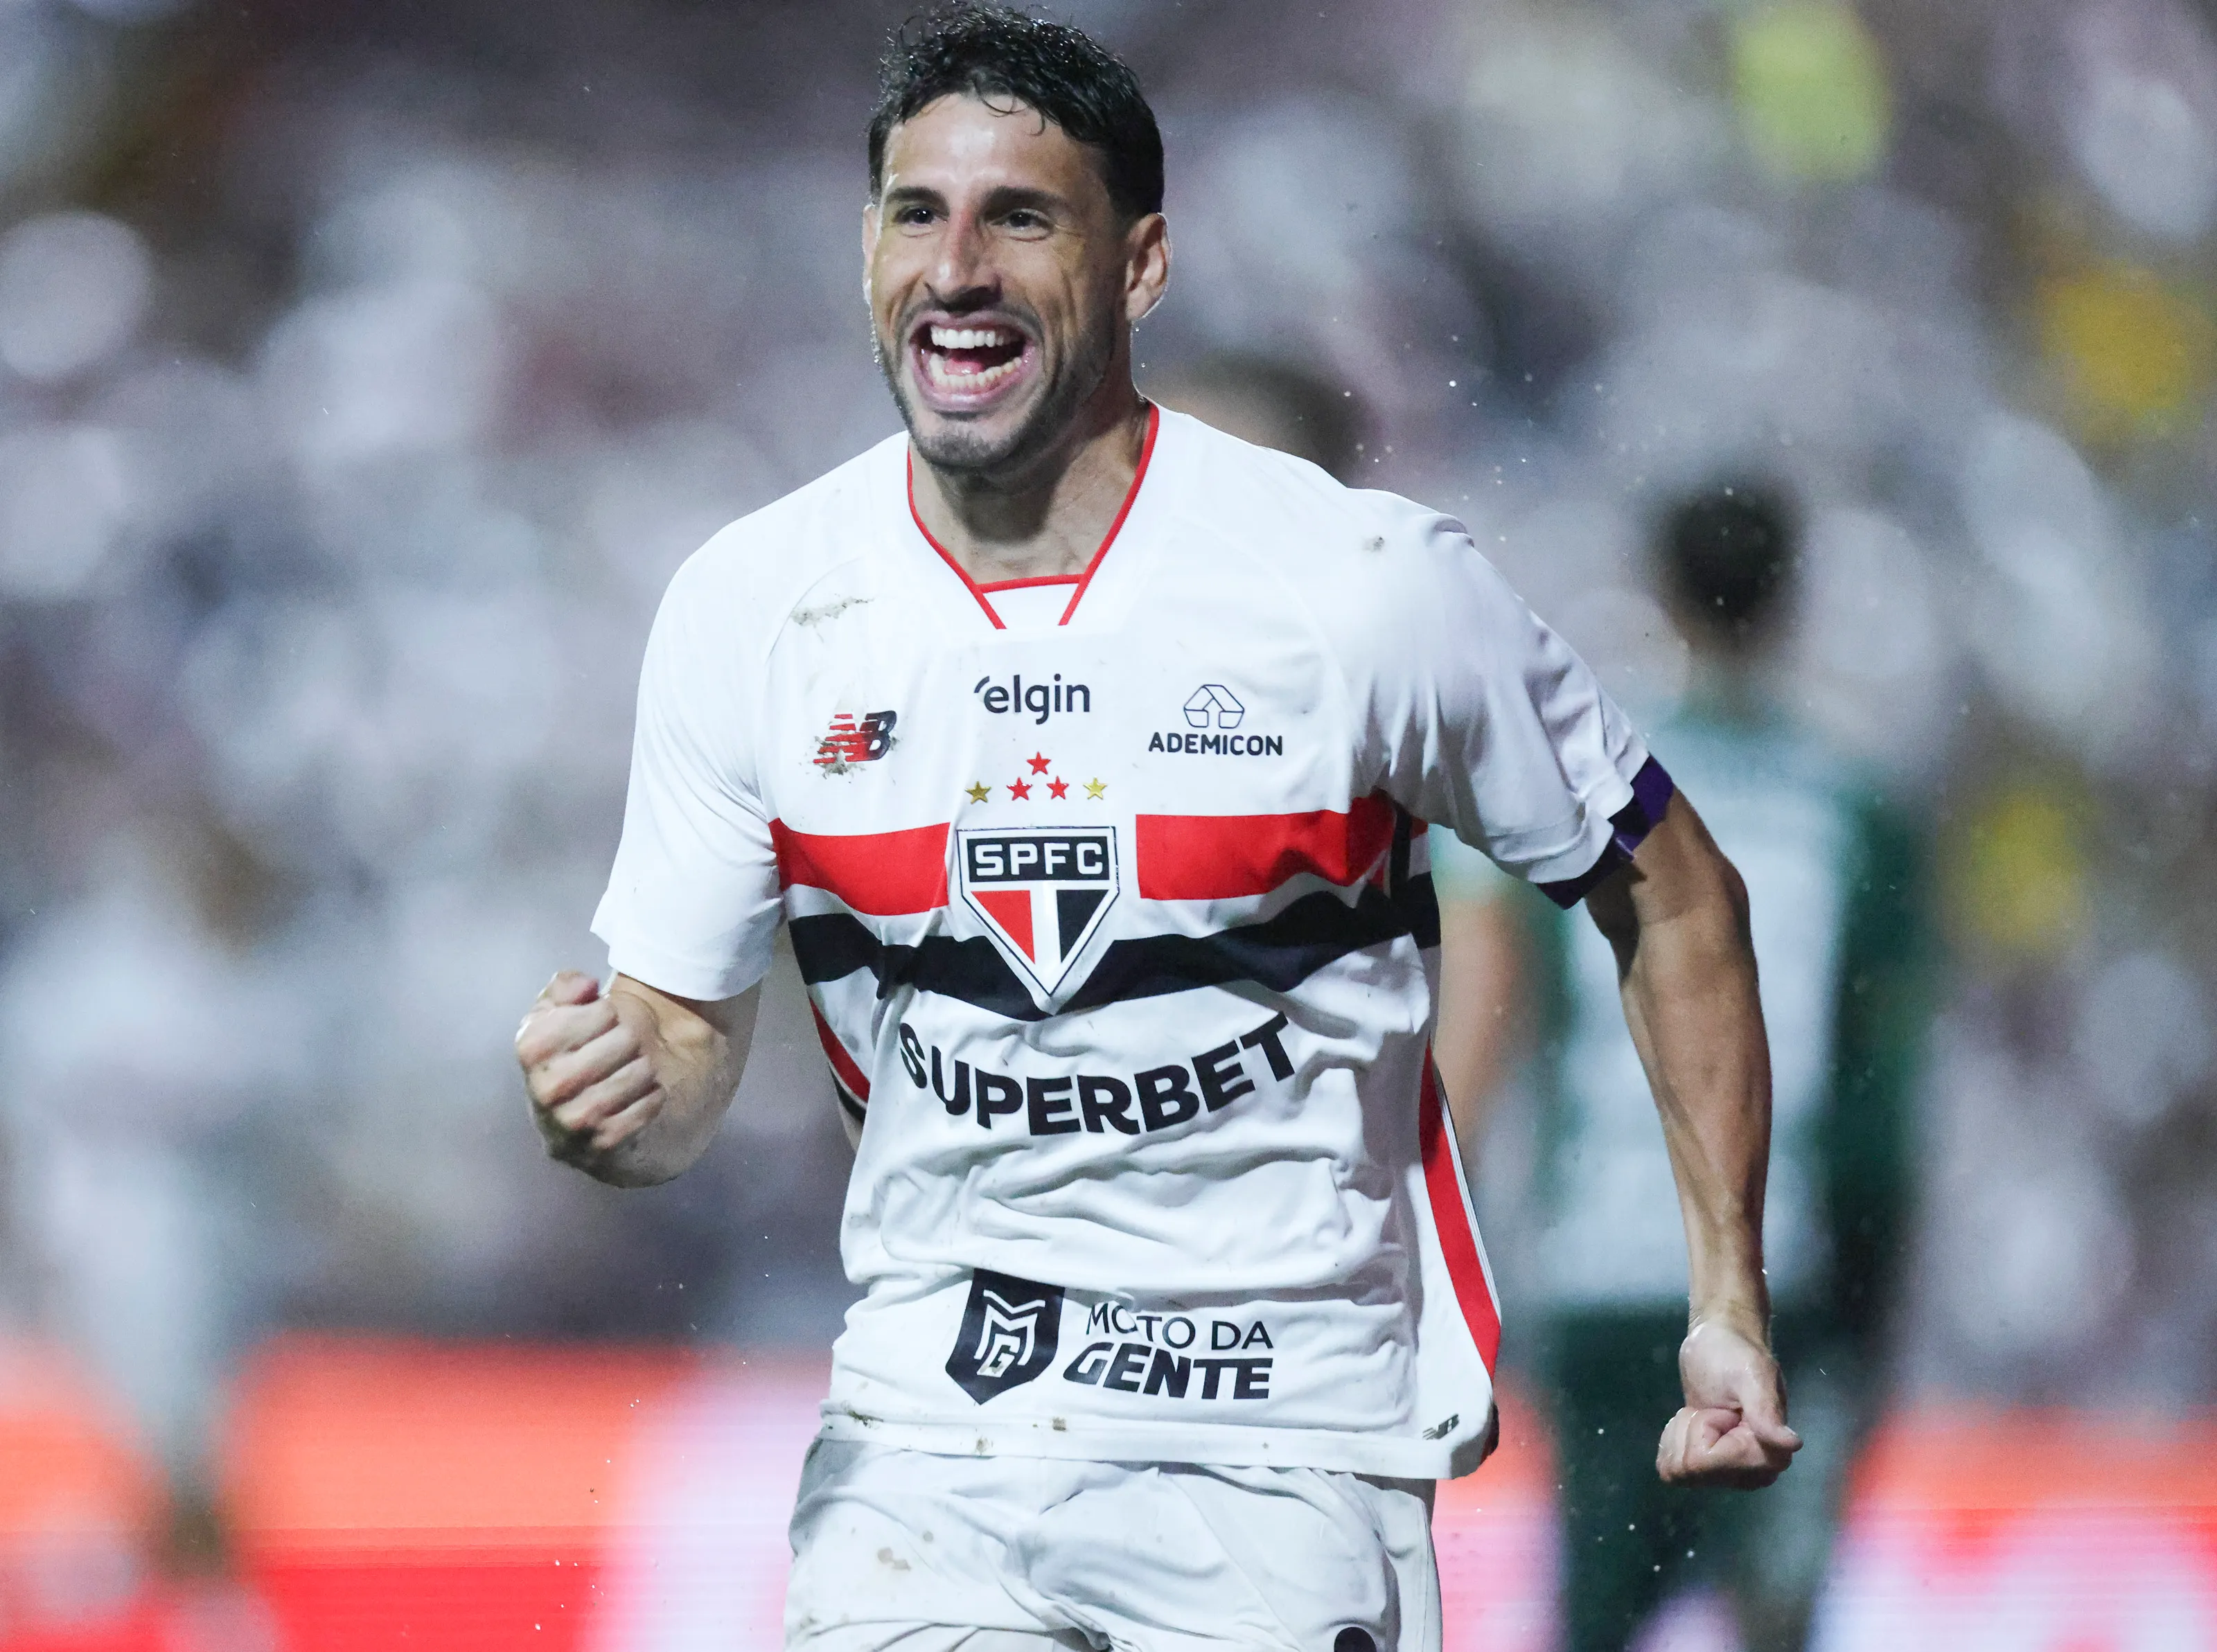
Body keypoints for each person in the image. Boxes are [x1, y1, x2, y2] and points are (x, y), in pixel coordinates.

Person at [513, 9, 1798, 1648]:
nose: (956, 267)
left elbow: (1675, 895)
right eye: (918, 213)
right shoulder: (753, 604)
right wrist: (617, 1096)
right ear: (865, 253)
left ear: (1142, 266)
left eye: (1020, 217)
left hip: (1281, 1448)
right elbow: (685, 1057)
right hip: (927, 1441)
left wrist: (1727, 1303)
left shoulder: (1366, 588)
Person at [1431, 483, 1928, 1652]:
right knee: (1774, 1612)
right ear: (1793, 598)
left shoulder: (1591, 790)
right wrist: (1874, 1306)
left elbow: (1500, 1020)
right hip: (1780, 1276)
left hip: (1601, 1270)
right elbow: (1882, 1099)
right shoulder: (1854, 811)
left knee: (1600, 1614)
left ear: (1662, 592)